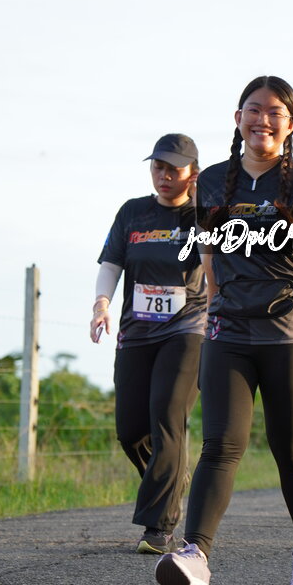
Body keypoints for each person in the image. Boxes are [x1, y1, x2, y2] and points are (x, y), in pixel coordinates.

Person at [154, 76, 293, 585]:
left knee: (290, 448)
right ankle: (195, 557)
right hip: (229, 329)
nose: (262, 119)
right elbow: (209, 257)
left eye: (274, 112)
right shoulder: (211, 182)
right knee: (220, 444)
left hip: (288, 330)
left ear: (290, 125)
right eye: (253, 109)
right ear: (237, 118)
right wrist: (216, 311)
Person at [90, 134, 206, 554]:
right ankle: (172, 482)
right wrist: (101, 304)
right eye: (158, 167)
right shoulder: (133, 212)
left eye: (174, 168)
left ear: (193, 173)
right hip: (136, 332)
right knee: (130, 430)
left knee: (167, 418)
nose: (164, 175)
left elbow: (223, 262)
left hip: (188, 328)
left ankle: (158, 527)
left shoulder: (205, 217)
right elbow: (111, 263)